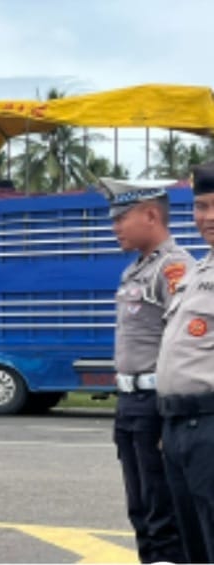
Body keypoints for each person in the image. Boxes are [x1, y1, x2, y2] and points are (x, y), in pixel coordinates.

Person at [101, 178, 190, 564]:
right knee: (141, 509)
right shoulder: (136, 270)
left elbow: (187, 345)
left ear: (151, 215)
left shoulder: (175, 268)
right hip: (131, 402)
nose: (115, 226)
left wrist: (171, 413)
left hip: (157, 403)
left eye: (122, 217)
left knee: (162, 511)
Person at [156, 162, 214, 563]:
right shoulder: (198, 270)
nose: (207, 217)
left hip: (209, 426)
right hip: (181, 427)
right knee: (193, 547)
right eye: (200, 207)